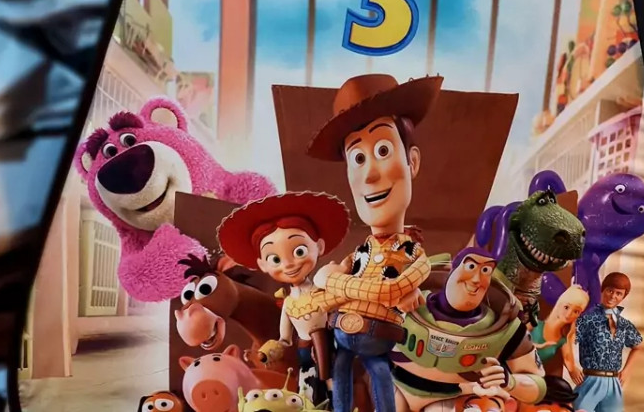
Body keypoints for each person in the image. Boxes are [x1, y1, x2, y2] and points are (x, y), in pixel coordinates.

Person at [308, 74, 441, 412]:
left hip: (380, 339)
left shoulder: (413, 254)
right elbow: (326, 298)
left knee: (380, 374)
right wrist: (327, 289)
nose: (369, 175)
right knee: (339, 374)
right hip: (342, 337)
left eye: (382, 150)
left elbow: (388, 290)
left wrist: (331, 281)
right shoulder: (359, 254)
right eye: (358, 158)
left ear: (412, 162)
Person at [216, 190, 351, 405]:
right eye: (275, 259)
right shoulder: (289, 303)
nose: (288, 264)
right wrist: (268, 353)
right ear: (262, 264)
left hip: (334, 348)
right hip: (305, 355)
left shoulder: (323, 287)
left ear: (318, 246)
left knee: (338, 389)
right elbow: (284, 339)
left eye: (299, 251)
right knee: (309, 396)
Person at [391, 248, 547, 411]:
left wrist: (510, 381)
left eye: (485, 271)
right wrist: (395, 298)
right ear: (453, 270)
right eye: (471, 267)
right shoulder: (404, 303)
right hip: (395, 388)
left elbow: (538, 387)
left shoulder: (508, 329)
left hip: (449, 400)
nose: (476, 280)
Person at [571, 272, 642, 412]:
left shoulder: (623, 324)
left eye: (619, 293)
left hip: (613, 383)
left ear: (623, 296)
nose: (613, 296)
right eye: (610, 290)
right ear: (603, 290)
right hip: (591, 380)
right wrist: (571, 367)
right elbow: (565, 340)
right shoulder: (587, 319)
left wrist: (626, 371)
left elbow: (638, 346)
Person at [530, 284, 589, 370]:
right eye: (566, 307)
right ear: (559, 304)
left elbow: (569, 363)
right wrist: (540, 346)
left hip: (535, 373)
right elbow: (515, 342)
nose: (569, 314)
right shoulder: (534, 324)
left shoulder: (562, 340)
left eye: (576, 311)